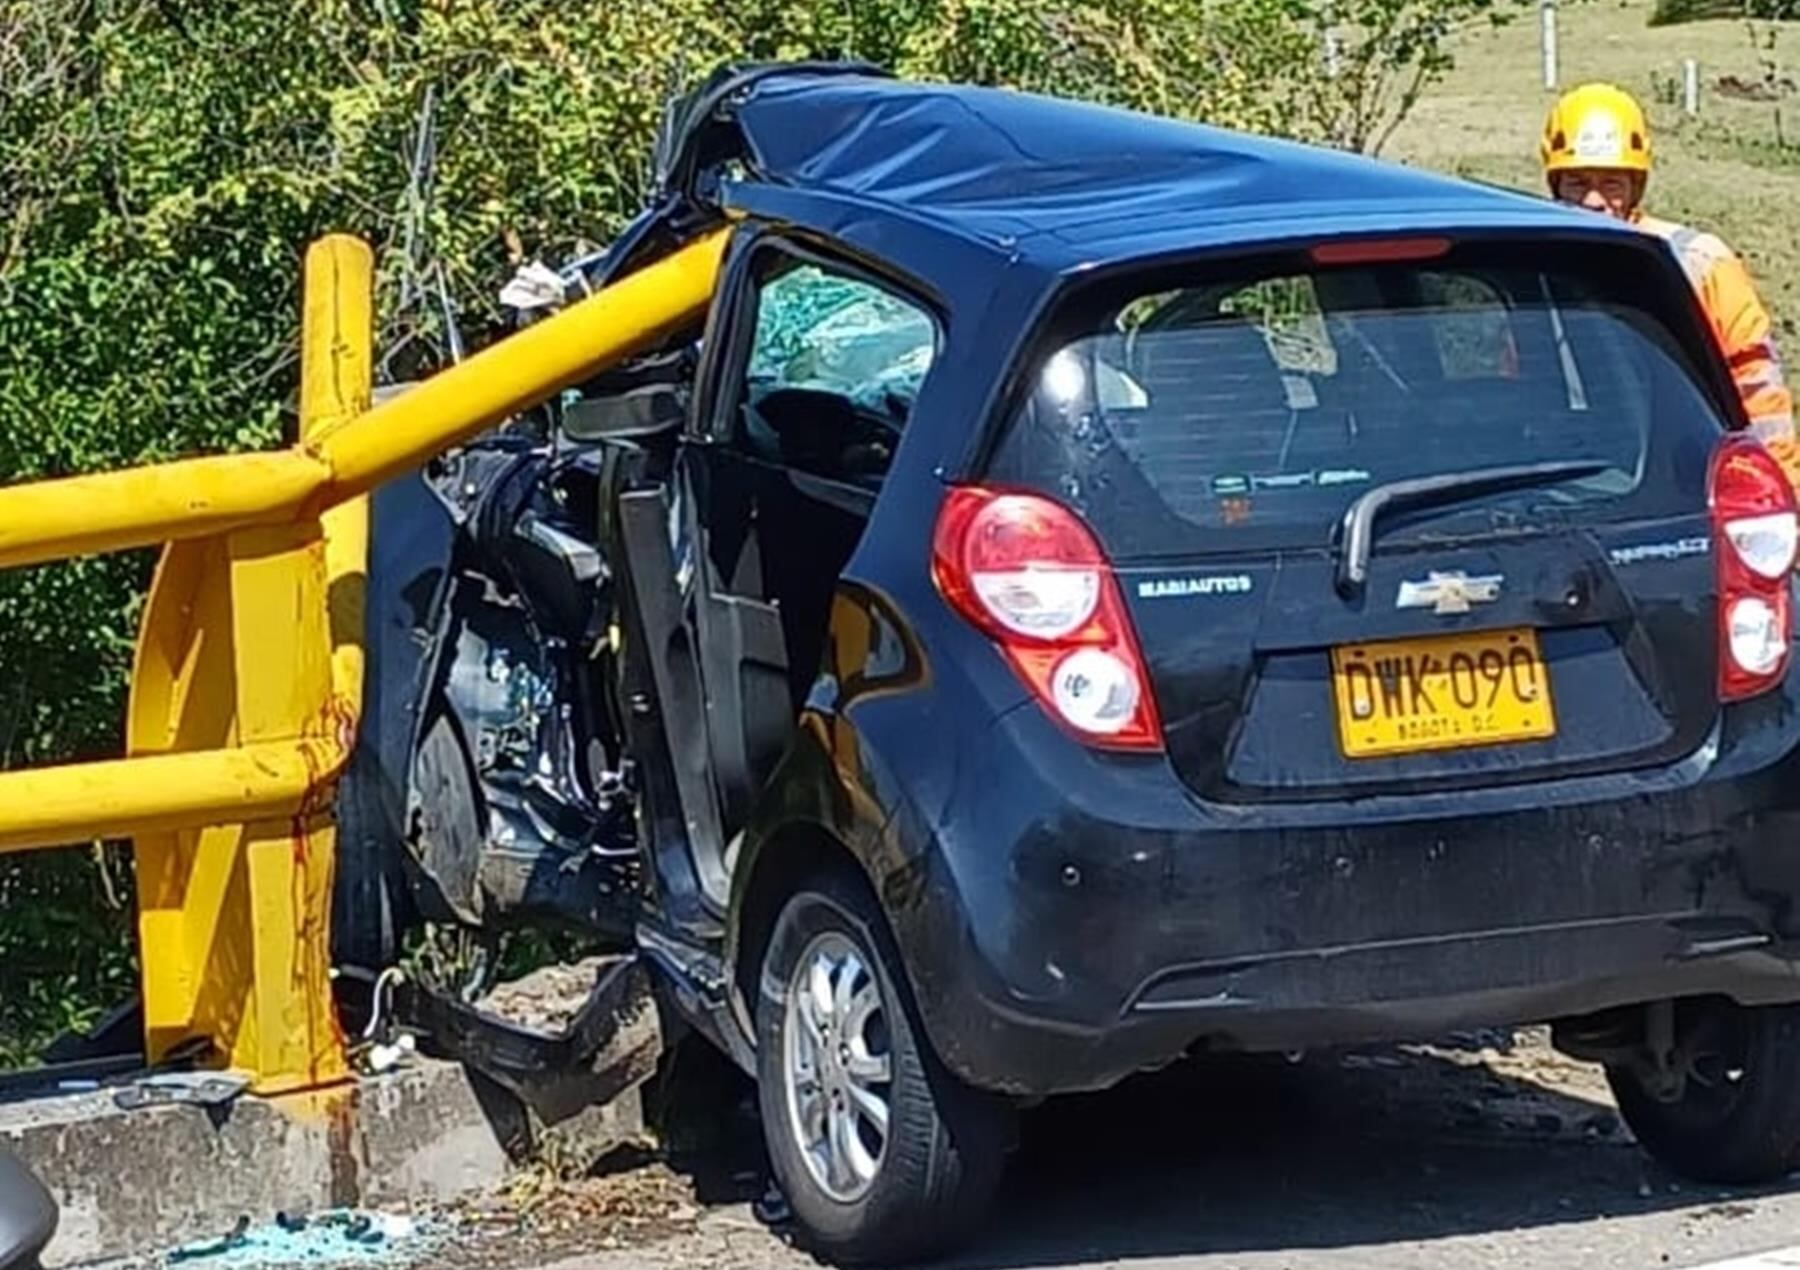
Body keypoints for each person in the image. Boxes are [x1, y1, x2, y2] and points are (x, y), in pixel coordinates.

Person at [1541, 82, 1796, 457]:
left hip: (1694, 463)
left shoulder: (1699, 263)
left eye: (1611, 183)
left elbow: (1756, 387)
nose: (1593, 201)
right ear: (1556, 185)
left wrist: (1778, 494)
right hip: (1583, 464)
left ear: (1636, 187)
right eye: (1577, 183)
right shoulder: (1532, 265)